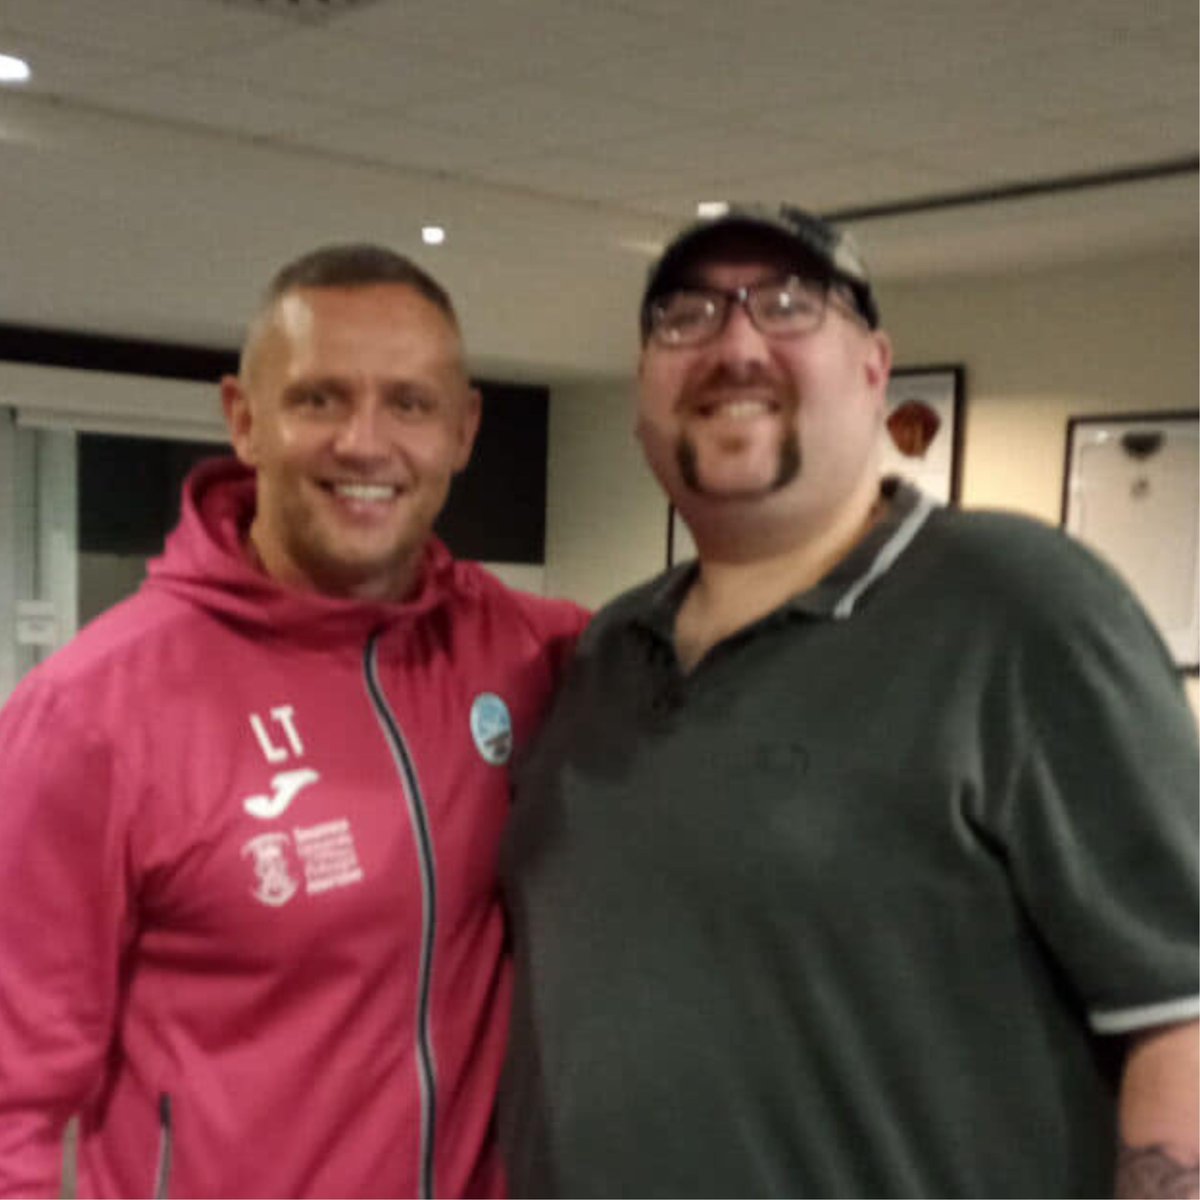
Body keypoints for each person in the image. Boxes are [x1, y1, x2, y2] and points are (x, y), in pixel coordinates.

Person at [499, 205, 1199, 1198]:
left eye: (789, 306)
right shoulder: (612, 646)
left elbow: (1183, 1013)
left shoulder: (1018, 607)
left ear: (875, 368)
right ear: (642, 390)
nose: (736, 344)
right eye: (685, 317)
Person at [0, 244, 588, 1199]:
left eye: (409, 403)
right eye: (319, 398)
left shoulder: (529, 652)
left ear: (464, 429)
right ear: (244, 419)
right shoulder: (92, 715)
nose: (365, 442)